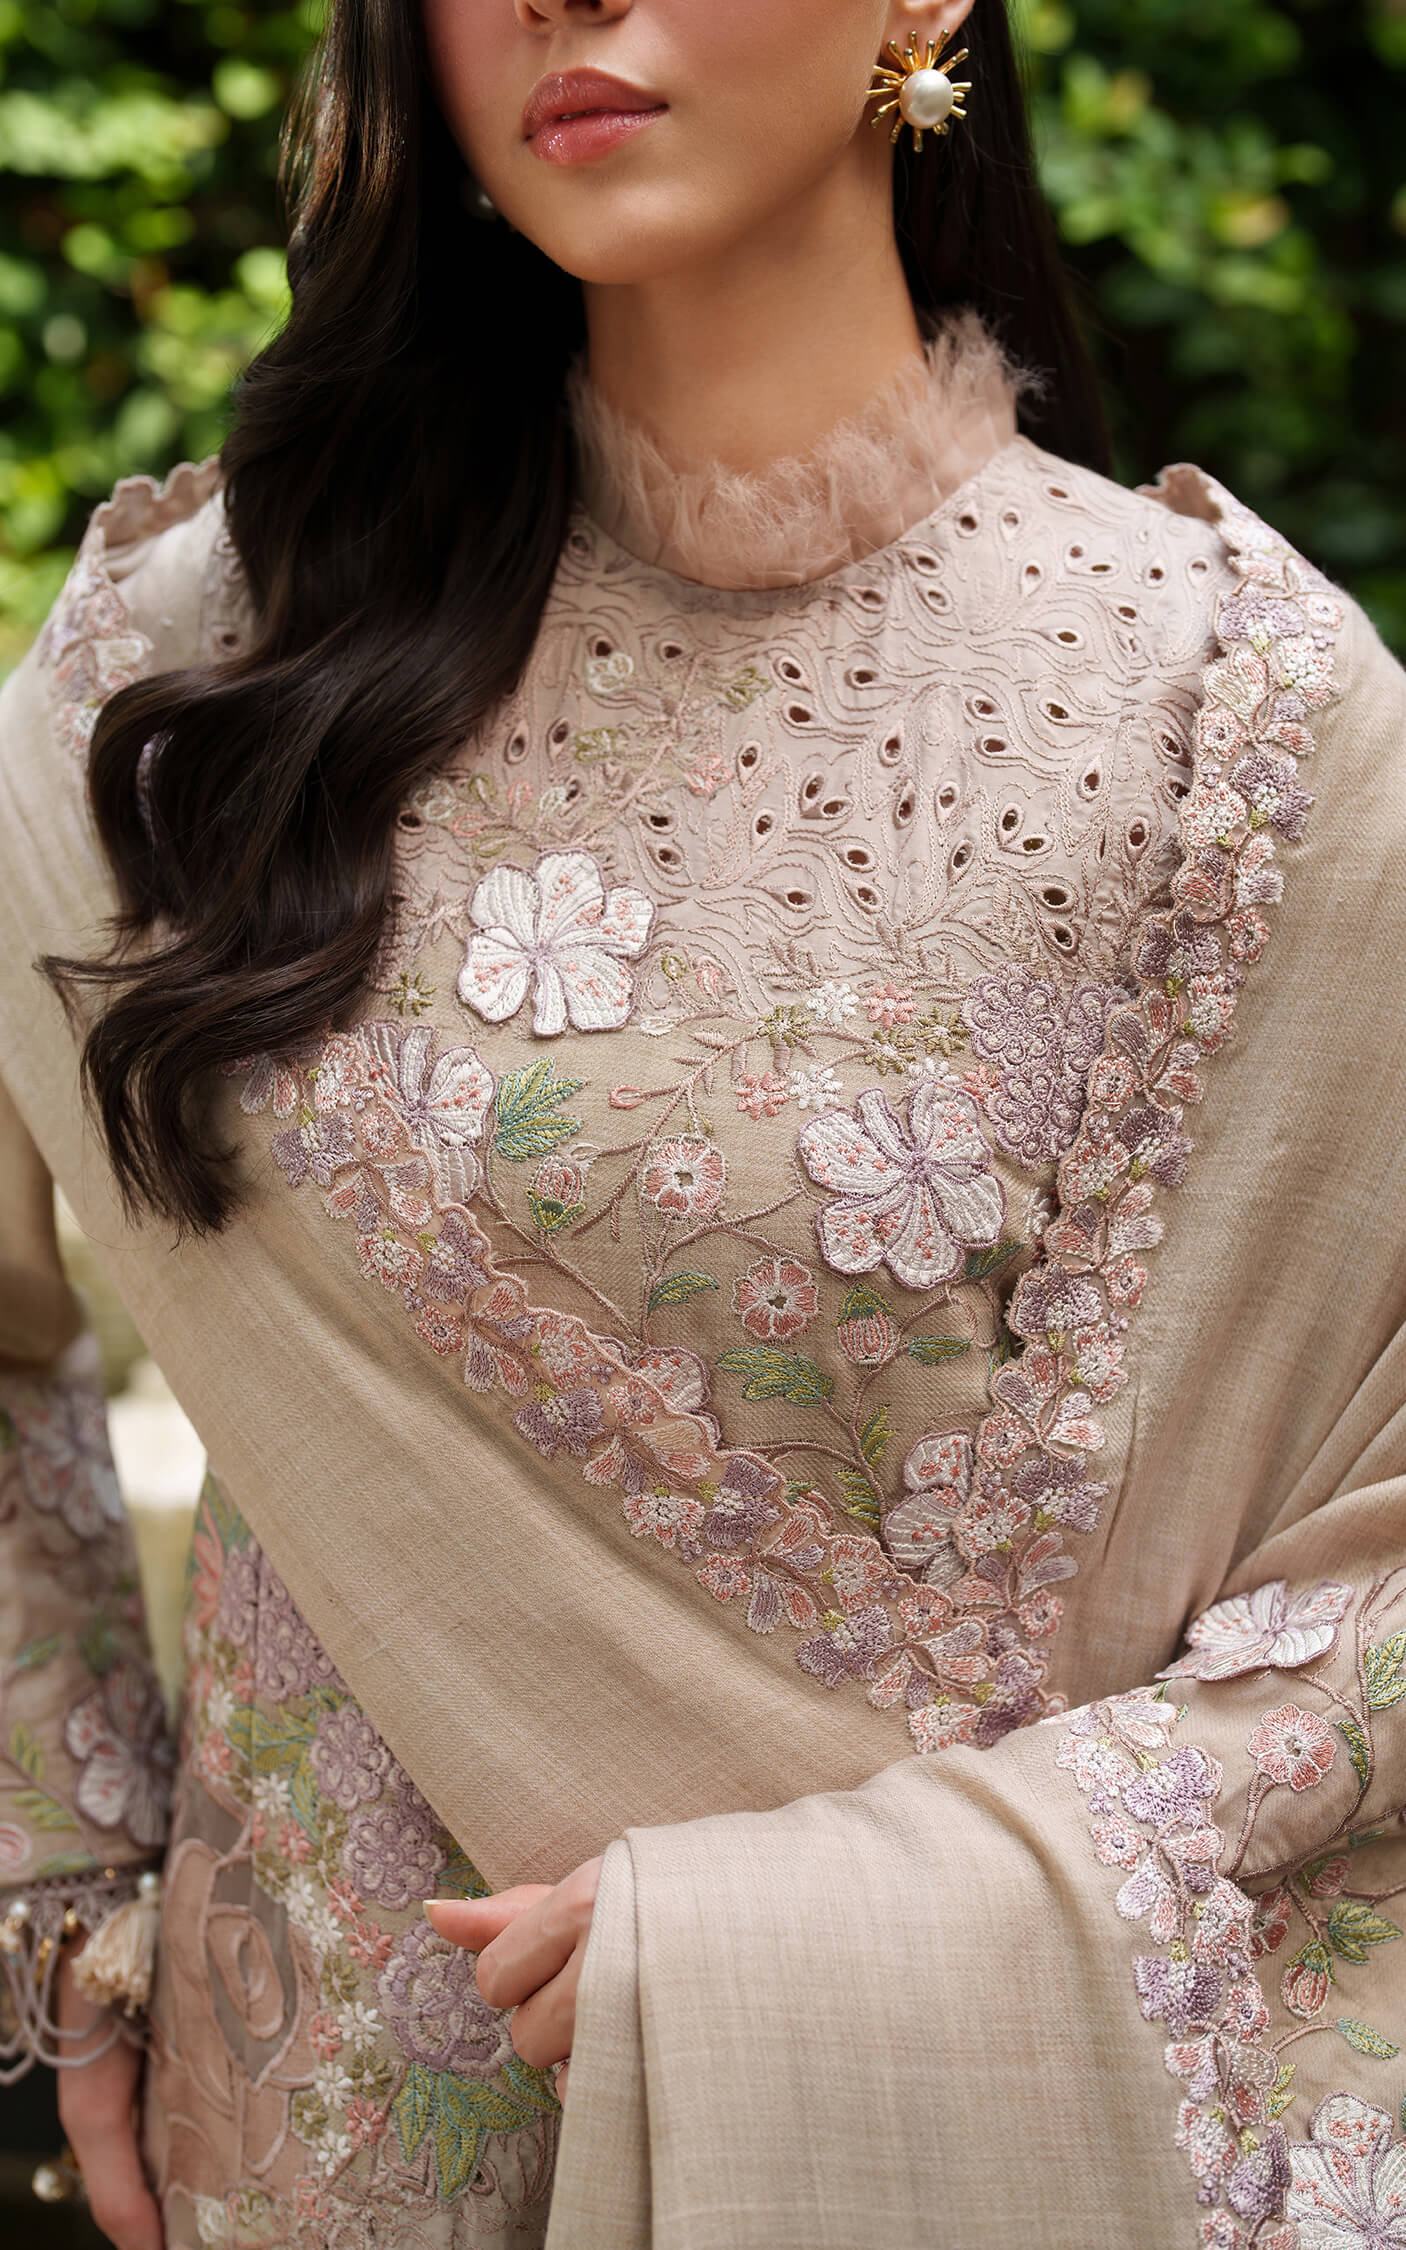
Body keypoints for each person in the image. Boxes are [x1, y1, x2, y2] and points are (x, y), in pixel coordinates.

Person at [1, 0, 1403, 2243]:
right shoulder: (193, 685)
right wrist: (61, 1872)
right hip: (329, 2140)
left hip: (957, 2155)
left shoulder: (1236, 724)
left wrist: (840, 1922)